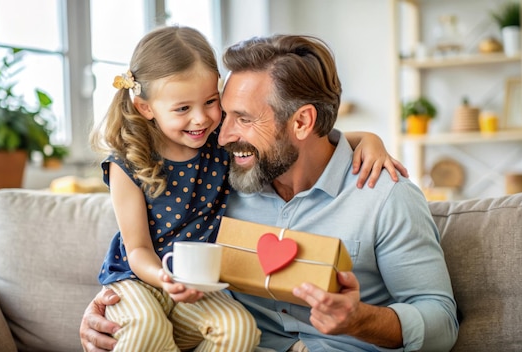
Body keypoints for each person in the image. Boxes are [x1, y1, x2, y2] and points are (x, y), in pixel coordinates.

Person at [88, 26, 409, 352]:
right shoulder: (135, 162)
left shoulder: (213, 147)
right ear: (145, 107)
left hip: (196, 293)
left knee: (238, 329)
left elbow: (318, 139)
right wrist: (153, 287)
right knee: (144, 326)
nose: (206, 121)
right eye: (184, 108)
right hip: (143, 280)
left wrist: (369, 139)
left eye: (214, 104)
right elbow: (137, 249)